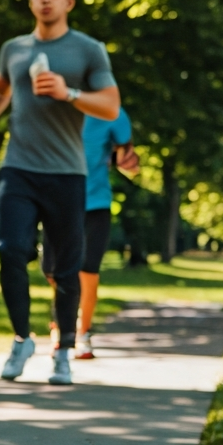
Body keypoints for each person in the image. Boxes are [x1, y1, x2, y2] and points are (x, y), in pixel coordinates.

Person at [0, 0, 121, 385]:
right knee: (11, 250)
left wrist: (68, 93)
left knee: (66, 269)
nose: (45, 0)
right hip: (18, 167)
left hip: (67, 173)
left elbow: (110, 106)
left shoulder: (88, 51)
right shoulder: (13, 49)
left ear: (69, 2)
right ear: (31, 1)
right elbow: (1, 88)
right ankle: (22, 338)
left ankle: (64, 351)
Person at [42, 109, 139, 358]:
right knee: (53, 271)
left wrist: (129, 161)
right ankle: (61, 322)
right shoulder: (51, 104)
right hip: (57, 202)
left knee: (87, 270)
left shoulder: (111, 112)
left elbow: (127, 155)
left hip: (95, 205)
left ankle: (81, 333)